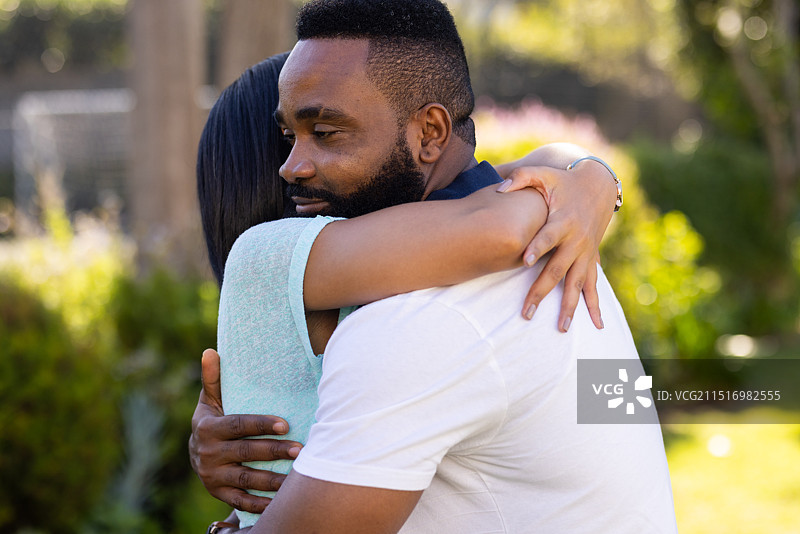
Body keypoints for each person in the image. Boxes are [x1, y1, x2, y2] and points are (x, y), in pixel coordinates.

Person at [194, 1, 677, 532]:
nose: (294, 166)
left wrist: (587, 182)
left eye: (327, 132)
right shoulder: (563, 243)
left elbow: (498, 228)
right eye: (287, 138)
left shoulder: (413, 321)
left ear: (430, 133)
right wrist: (588, 182)